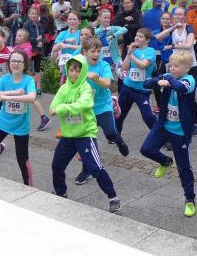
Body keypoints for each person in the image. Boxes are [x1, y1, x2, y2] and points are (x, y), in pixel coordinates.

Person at [50, 54, 121, 212]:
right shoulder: (64, 88)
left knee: (95, 167)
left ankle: (113, 197)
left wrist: (62, 108)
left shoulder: (86, 88)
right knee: (57, 165)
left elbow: (82, 104)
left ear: (82, 72)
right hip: (68, 135)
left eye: (77, 70)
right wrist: (60, 107)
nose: (74, 73)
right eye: (71, 70)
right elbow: (52, 106)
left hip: (85, 135)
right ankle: (61, 193)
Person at [140, 51, 197, 217]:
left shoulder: (189, 80)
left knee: (184, 168)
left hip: (180, 132)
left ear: (187, 68)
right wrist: (157, 80)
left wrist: (168, 79)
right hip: (163, 125)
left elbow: (180, 87)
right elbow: (146, 84)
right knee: (146, 149)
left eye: (176, 66)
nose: (172, 69)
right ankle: (165, 162)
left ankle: (189, 200)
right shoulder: (167, 76)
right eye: (170, 65)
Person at [74, 37, 129, 188]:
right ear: (85, 52)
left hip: (103, 106)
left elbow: (106, 84)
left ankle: (119, 140)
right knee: (88, 141)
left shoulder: (103, 65)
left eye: (98, 51)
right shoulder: (79, 66)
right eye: (93, 51)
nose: (96, 54)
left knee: (110, 133)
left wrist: (96, 78)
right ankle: (87, 170)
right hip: (86, 108)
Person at [0, 50, 38, 185]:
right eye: (13, 61)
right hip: (3, 122)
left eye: (19, 61)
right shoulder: (4, 79)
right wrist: (14, 92)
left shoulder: (29, 80)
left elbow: (31, 97)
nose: (15, 64)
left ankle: (29, 186)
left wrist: (7, 97)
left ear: (24, 64)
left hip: (21, 125)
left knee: (22, 160)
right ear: (9, 63)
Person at [116, 28, 157, 134]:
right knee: (119, 113)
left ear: (147, 40)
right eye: (136, 35)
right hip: (127, 86)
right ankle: (116, 135)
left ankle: (160, 135)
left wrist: (131, 55)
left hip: (142, 89)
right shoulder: (133, 50)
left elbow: (143, 65)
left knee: (148, 116)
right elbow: (125, 68)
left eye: (140, 36)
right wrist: (129, 53)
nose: (137, 38)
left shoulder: (151, 51)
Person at [11, 29, 51, 131]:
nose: (17, 37)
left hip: (26, 77)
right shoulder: (16, 47)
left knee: (31, 98)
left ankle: (44, 118)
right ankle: (17, 119)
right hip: (19, 76)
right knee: (19, 97)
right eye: (17, 35)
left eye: (20, 36)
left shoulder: (27, 48)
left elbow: (20, 58)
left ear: (25, 38)